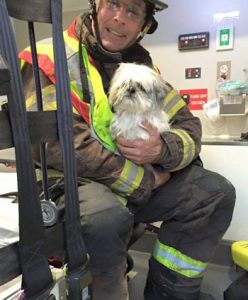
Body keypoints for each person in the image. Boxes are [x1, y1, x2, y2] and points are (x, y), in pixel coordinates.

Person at [19, 0, 236, 299]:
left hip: (133, 179)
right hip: (71, 183)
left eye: (133, 11)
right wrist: (145, 180)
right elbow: (55, 145)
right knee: (107, 218)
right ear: (95, 5)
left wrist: (161, 150)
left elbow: (188, 126)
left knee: (215, 193)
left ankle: (169, 294)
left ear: (144, 25)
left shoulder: (144, 69)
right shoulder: (49, 56)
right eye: (113, 3)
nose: (121, 18)